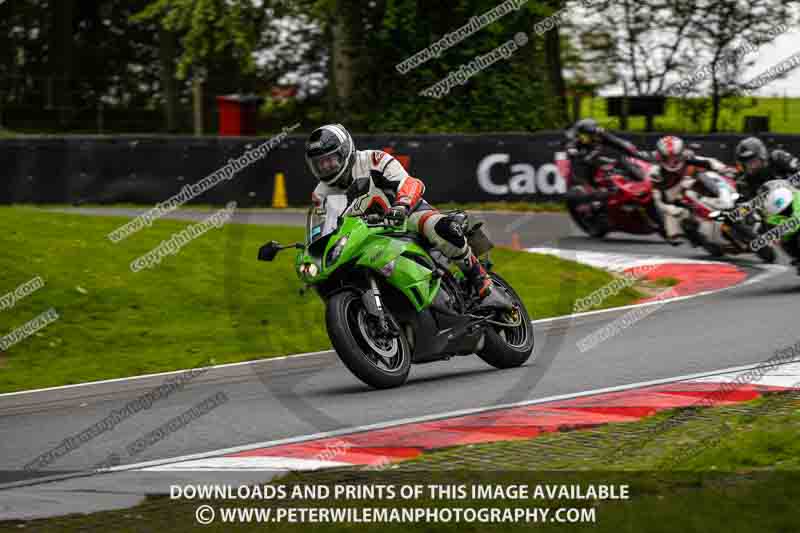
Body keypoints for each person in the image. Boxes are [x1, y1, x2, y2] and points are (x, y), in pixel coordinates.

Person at [305, 123, 510, 308]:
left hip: (404, 216)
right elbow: (322, 227)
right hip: (366, 238)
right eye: (320, 163)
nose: (326, 167)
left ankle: (479, 278)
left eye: (330, 160)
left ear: (345, 151)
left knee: (438, 227)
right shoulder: (320, 194)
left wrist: (401, 205)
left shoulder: (373, 160)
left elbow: (410, 183)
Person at [734, 137, 800, 200]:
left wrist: (787, 184)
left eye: (753, 161)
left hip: (794, 195)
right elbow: (746, 206)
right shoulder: (743, 182)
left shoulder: (777, 157)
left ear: (762, 156)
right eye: (747, 163)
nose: (751, 166)